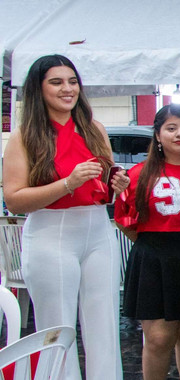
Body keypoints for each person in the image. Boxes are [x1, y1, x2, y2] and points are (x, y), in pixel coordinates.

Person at [1, 54, 127, 380]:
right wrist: (67, 183)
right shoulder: (24, 136)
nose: (67, 89)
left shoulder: (94, 128)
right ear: (38, 89)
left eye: (72, 81)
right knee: (58, 329)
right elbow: (14, 199)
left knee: (105, 325)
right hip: (51, 232)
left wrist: (117, 185)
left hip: (98, 228)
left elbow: (103, 189)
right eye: (56, 82)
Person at [115, 104, 180, 380]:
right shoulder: (138, 174)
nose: (179, 134)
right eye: (171, 128)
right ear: (157, 135)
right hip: (153, 260)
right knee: (158, 338)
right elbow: (126, 220)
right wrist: (154, 244)